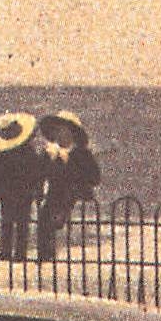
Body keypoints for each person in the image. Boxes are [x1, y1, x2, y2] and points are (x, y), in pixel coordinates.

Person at [0, 111, 46, 260]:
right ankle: (10, 251)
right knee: (12, 221)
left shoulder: (22, 151)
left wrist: (37, 189)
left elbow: (36, 172)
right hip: (14, 192)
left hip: (18, 191)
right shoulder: (0, 153)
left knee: (15, 222)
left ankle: (14, 251)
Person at [36, 111, 101, 262]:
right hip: (55, 196)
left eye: (62, 130)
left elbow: (94, 178)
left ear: (72, 133)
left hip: (75, 193)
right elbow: (39, 175)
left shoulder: (82, 153)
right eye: (56, 130)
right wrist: (51, 161)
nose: (59, 134)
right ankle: (45, 255)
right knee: (46, 216)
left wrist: (68, 163)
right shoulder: (50, 153)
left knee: (57, 205)